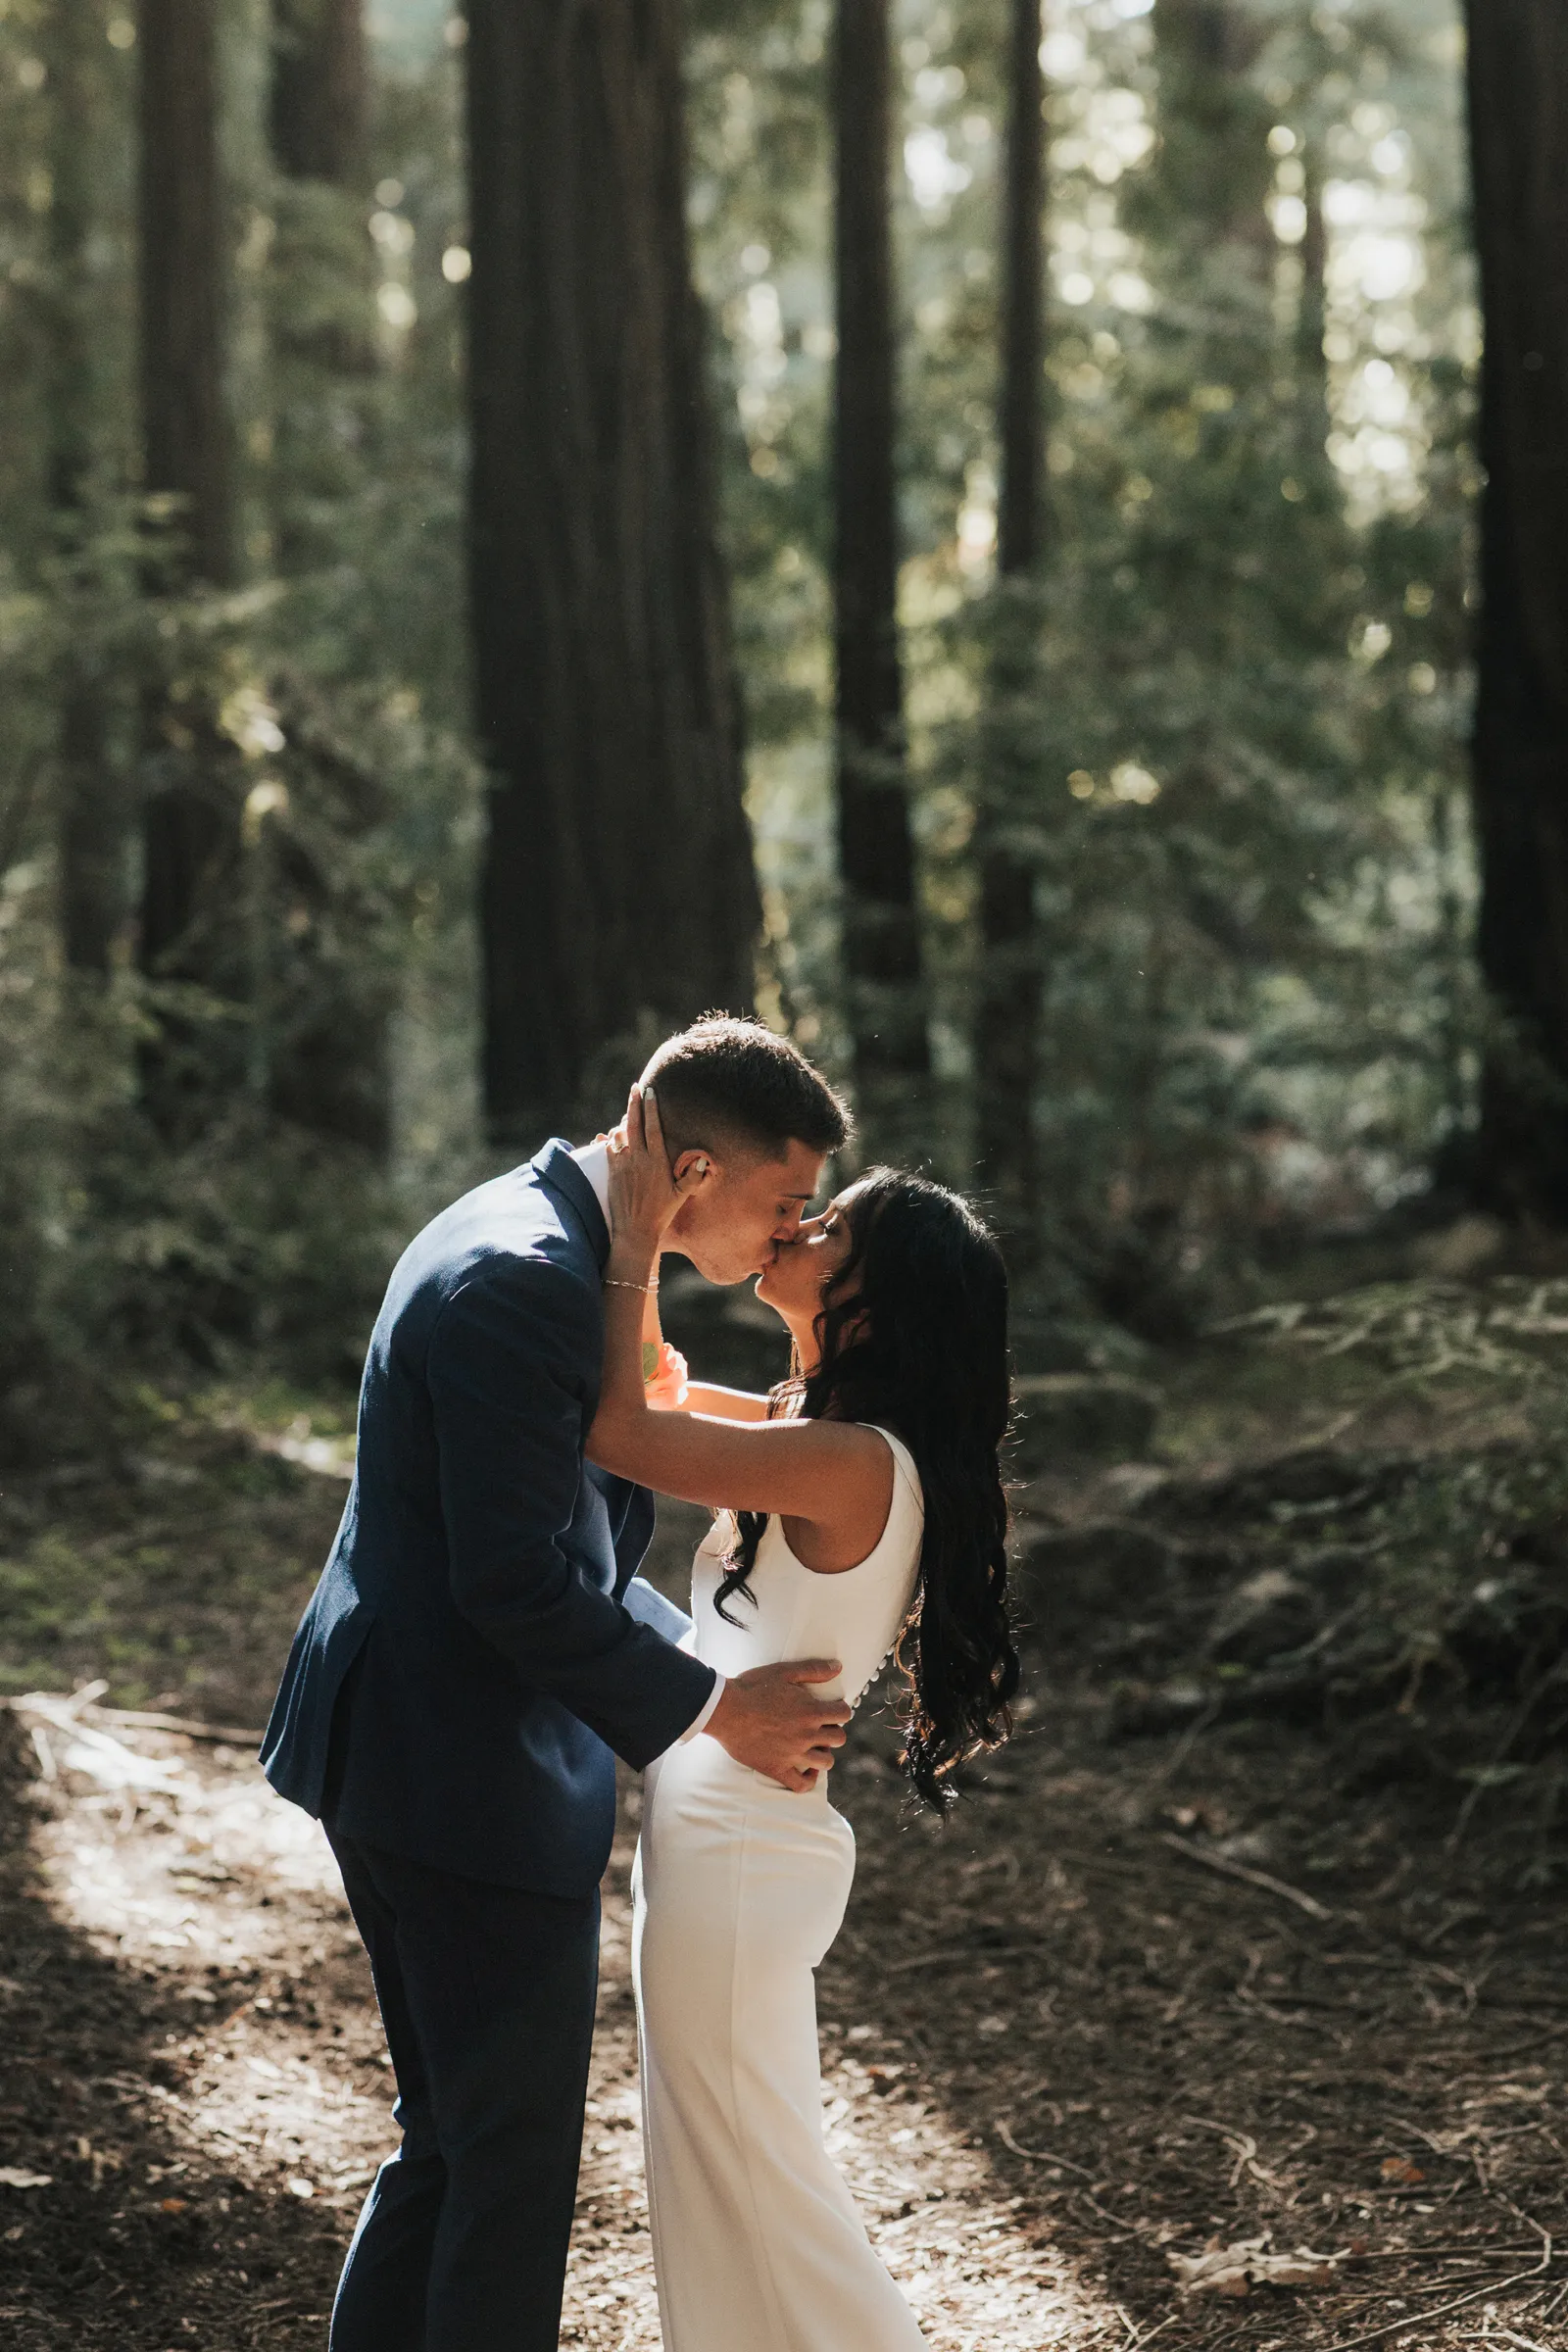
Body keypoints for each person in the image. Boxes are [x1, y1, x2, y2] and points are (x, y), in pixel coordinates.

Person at [260, 1015, 858, 2352]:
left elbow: (563, 1532)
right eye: (783, 1202)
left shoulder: (559, 1244)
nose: (789, 1233)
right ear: (691, 1173)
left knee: (454, 2145)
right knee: (507, 2168)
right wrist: (714, 1708)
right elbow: (517, 1580)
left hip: (422, 1740)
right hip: (456, 1768)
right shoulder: (526, 1279)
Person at [587, 1086, 1020, 2352]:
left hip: (737, 1863)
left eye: (827, 1227)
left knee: (766, 2206)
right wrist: (662, 1215)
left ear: (870, 1304)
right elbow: (657, 1382)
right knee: (726, 2197)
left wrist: (631, 1241)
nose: (798, 1229)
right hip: (727, 1849)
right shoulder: (809, 1426)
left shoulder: (852, 1463)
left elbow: (622, 1431)